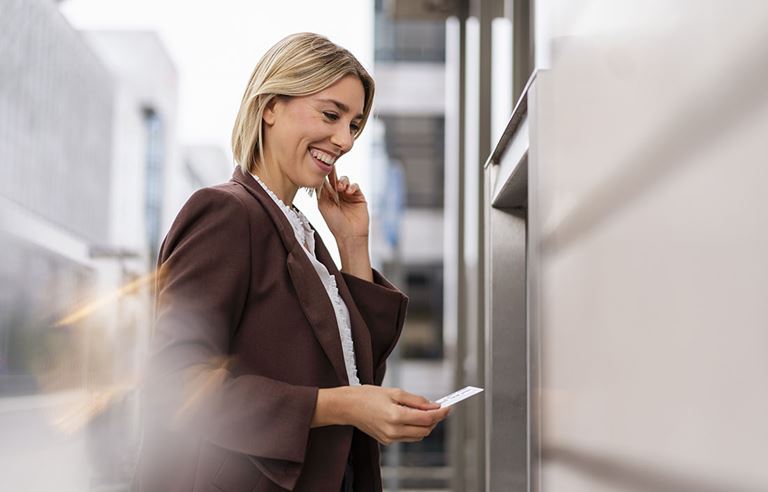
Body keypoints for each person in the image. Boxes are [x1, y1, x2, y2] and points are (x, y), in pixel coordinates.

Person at [132, 33, 450, 492]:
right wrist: (339, 406)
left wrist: (353, 246)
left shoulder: (302, 233)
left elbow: (357, 376)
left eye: (355, 126)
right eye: (330, 114)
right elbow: (176, 385)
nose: (344, 140)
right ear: (270, 107)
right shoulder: (226, 212)